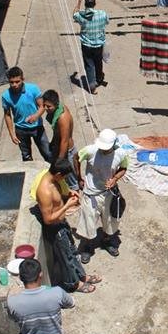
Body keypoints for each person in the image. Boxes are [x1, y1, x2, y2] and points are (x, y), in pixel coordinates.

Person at [31, 159, 101, 293]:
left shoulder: (53, 179)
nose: (64, 179)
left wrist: (68, 194)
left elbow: (58, 197)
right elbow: (48, 219)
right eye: (63, 176)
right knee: (66, 257)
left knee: (72, 251)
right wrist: (67, 205)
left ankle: (82, 276)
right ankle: (73, 284)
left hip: (62, 224)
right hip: (55, 229)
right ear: (57, 174)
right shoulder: (44, 191)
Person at [74, 129, 128, 263]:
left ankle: (107, 241)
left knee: (110, 221)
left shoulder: (121, 154)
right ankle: (87, 247)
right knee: (88, 222)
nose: (103, 151)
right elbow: (76, 157)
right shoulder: (90, 150)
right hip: (91, 194)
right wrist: (79, 178)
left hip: (109, 194)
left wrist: (115, 179)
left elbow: (124, 168)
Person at [2, 67, 52, 162]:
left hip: (37, 127)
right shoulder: (5, 96)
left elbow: (42, 106)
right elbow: (7, 115)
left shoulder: (33, 89)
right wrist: (12, 134)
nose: (15, 85)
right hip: (21, 130)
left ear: (22, 79)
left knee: (47, 153)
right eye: (12, 82)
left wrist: (36, 116)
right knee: (26, 156)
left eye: (17, 81)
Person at [72, 0, 109, 95]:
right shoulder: (102, 14)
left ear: (85, 4)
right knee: (98, 62)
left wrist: (78, 2)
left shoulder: (81, 15)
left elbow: (74, 14)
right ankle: (99, 78)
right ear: (95, 3)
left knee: (89, 65)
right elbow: (107, 21)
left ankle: (92, 86)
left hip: (86, 45)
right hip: (98, 45)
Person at [42, 90, 79, 191]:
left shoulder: (62, 117)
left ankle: (75, 199)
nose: (45, 108)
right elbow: (57, 132)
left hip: (67, 152)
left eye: (49, 106)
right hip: (60, 148)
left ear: (56, 104)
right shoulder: (56, 111)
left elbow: (64, 140)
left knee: (71, 181)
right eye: (44, 105)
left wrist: (61, 161)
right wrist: (53, 142)